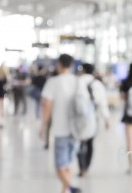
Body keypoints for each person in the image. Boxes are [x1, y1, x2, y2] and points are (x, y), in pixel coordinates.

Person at [40, 54, 81, 193]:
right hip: (76, 130)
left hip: (60, 129)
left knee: (59, 167)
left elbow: (47, 106)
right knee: (68, 164)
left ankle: (71, 188)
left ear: (59, 64)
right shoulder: (77, 81)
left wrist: (43, 126)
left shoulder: (54, 82)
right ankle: (66, 190)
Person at [76, 63, 110, 177]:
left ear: (83, 70)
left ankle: (82, 166)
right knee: (90, 142)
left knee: (80, 142)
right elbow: (102, 103)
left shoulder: (77, 82)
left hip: (79, 117)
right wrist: (106, 118)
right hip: (94, 118)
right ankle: (87, 166)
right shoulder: (97, 84)